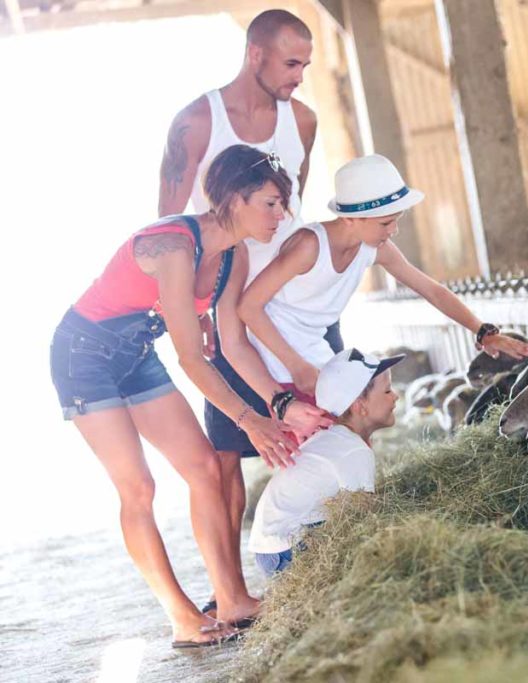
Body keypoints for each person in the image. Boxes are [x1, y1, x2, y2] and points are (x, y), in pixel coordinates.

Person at [49, 145, 323, 648]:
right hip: (83, 356)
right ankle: (182, 618)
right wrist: (248, 419)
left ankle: (232, 599)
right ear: (234, 200)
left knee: (203, 469)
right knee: (139, 489)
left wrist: (277, 402)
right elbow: (192, 358)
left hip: (135, 353)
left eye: (282, 204)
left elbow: (231, 341)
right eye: (269, 203)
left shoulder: (232, 254)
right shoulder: (175, 246)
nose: (280, 216)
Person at [157, 9, 336, 614]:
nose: (300, 77)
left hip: (296, 307)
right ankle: (230, 590)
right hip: (228, 309)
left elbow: (296, 206)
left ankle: (323, 560)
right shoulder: (196, 123)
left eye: (306, 65)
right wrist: (196, 309)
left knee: (318, 427)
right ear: (254, 54)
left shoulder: (302, 120)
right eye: (292, 63)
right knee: (228, 453)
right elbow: (167, 227)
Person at [238, 154, 528, 401]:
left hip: (314, 351)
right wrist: (296, 366)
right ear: (350, 218)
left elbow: (431, 290)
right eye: (386, 222)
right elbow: (249, 306)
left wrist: (483, 332)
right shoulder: (309, 246)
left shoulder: (373, 247)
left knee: (351, 432)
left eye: (396, 220)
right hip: (277, 358)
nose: (393, 230)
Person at [248, 348, 404, 575]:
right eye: (388, 390)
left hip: (272, 548)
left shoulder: (336, 439)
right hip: (288, 552)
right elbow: (363, 516)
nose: (396, 396)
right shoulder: (354, 451)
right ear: (360, 406)